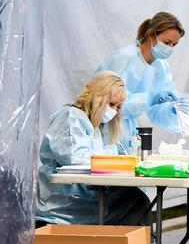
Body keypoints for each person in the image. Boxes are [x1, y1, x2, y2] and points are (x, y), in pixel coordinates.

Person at [35, 72, 151, 226]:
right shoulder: (71, 117)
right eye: (111, 104)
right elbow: (75, 159)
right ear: (98, 96)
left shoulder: (92, 124)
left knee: (135, 198)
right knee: (135, 201)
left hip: (80, 194)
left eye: (118, 107)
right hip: (62, 199)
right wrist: (111, 154)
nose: (114, 111)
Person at [95, 11, 186, 147]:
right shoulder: (124, 59)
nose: (170, 48)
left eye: (174, 44)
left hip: (128, 134)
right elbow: (107, 105)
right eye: (167, 42)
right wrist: (148, 99)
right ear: (151, 35)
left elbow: (158, 113)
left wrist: (173, 110)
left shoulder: (162, 67)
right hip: (105, 130)